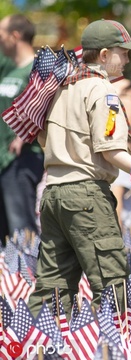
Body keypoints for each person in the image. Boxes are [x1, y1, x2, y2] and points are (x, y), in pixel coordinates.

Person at [26, 19, 131, 317]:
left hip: (54, 192)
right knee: (111, 285)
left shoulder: (60, 86)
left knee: (52, 288)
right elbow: (113, 152)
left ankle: (37, 344)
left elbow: (43, 138)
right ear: (103, 55)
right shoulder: (102, 90)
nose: (127, 59)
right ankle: (108, 346)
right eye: (122, 53)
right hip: (86, 196)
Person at [0, 14, 44, 245]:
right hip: (4, 162)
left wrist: (22, 135)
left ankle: (26, 281)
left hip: (23, 160)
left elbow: (43, 108)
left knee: (22, 234)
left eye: (1, 35)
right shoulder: (9, 70)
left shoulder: (37, 69)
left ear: (15, 36)